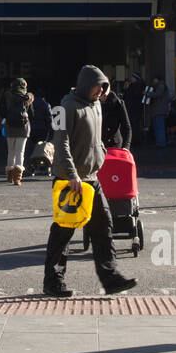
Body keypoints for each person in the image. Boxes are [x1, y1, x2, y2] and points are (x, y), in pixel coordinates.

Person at [42, 66, 137, 297]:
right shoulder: (64, 107)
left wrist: (101, 154)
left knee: (103, 226)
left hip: (91, 179)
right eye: (99, 86)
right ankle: (53, 282)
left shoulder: (96, 105)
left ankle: (111, 278)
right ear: (86, 84)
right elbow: (60, 143)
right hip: (70, 180)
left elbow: (97, 138)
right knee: (63, 231)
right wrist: (72, 174)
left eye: (104, 87)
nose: (102, 90)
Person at [1, 78, 33, 185]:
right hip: (23, 127)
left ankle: (9, 175)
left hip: (10, 126)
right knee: (20, 152)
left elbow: (2, 111)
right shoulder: (28, 97)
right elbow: (32, 114)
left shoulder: (7, 95)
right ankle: (17, 178)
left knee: (11, 151)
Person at [101, 82, 132, 151]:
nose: (102, 98)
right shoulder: (94, 103)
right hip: (99, 143)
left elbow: (127, 127)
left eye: (104, 95)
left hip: (114, 144)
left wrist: (126, 147)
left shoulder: (118, 103)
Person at [144, 76, 173, 149]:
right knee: (159, 127)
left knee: (159, 127)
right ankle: (160, 142)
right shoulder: (162, 86)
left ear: (157, 79)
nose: (153, 81)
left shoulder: (160, 86)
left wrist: (148, 94)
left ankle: (161, 143)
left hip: (159, 110)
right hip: (159, 110)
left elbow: (157, 94)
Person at [26, 87, 53, 165]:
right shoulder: (45, 104)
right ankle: (41, 165)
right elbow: (49, 119)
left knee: (31, 149)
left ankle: (31, 166)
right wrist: (51, 131)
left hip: (31, 129)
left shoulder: (30, 104)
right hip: (42, 130)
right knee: (41, 149)